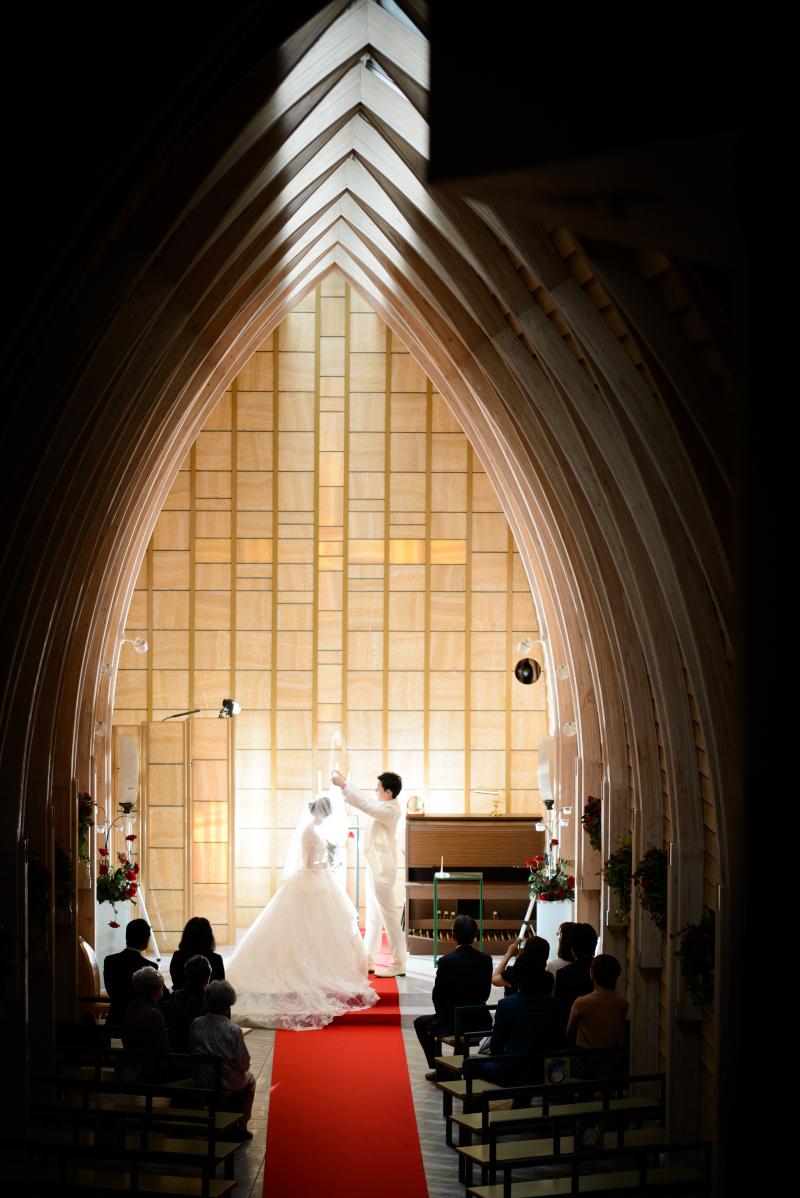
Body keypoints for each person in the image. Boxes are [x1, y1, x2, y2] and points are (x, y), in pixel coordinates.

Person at [224, 795, 377, 1029]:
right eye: (328, 812)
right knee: (309, 926)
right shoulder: (311, 831)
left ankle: (320, 964)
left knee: (318, 926)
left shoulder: (313, 828)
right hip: (311, 880)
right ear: (322, 812)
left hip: (316, 880)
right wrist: (327, 863)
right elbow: (308, 863)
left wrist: (327, 860)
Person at [331, 768, 406, 978]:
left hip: (382, 870)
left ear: (388, 792)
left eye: (379, 787)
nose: (375, 790)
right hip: (375, 867)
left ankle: (399, 963)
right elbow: (369, 803)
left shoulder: (392, 810)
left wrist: (344, 785)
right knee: (373, 918)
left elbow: (365, 804)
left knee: (389, 918)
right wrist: (345, 783)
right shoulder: (384, 805)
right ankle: (369, 959)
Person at [414, 914, 493, 1081]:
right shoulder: (486, 959)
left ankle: (440, 1069)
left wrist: (442, 1014)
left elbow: (438, 995)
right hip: (479, 1019)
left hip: (452, 1021)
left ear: (453, 936)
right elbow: (486, 993)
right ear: (475, 936)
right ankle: (451, 1069)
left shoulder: (447, 961)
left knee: (420, 1023)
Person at [471, 955, 559, 1087]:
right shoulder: (552, 1003)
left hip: (515, 1071)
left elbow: (496, 1047)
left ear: (515, 978)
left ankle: (477, 1106)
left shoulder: (506, 1004)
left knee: (469, 1063)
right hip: (545, 1070)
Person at [189, 980, 256, 1140]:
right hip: (225, 1081)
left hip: (201, 1077)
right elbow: (243, 1064)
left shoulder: (196, 1023)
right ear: (228, 1004)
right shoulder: (232, 1029)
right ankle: (241, 1126)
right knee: (250, 1079)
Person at [567, 954, 629, 1078]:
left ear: (592, 974)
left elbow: (569, 1033)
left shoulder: (581, 1002)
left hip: (586, 1060)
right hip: (615, 1059)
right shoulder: (622, 1001)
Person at [104, 918, 158, 1026]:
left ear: (126, 937)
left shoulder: (110, 961)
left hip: (115, 1017)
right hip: (141, 1021)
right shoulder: (150, 966)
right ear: (146, 941)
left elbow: (110, 990)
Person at [122, 966, 172, 1080]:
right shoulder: (154, 1014)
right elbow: (164, 1050)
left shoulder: (133, 1005)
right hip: (151, 1068)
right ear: (158, 990)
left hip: (133, 1062)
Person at [554, 923, 598, 1024]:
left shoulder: (563, 973)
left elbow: (560, 1007)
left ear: (572, 949)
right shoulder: (602, 970)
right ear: (594, 944)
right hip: (600, 1025)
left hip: (570, 1027)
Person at [168, 954, 211, 1054]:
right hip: (202, 1052)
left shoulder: (175, 996)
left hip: (177, 1048)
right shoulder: (210, 1001)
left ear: (187, 977)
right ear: (208, 979)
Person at [170, 917, 225, 990]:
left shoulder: (177, 956)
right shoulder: (216, 959)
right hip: (209, 1000)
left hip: (182, 999)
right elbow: (218, 988)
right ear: (209, 936)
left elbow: (176, 983)